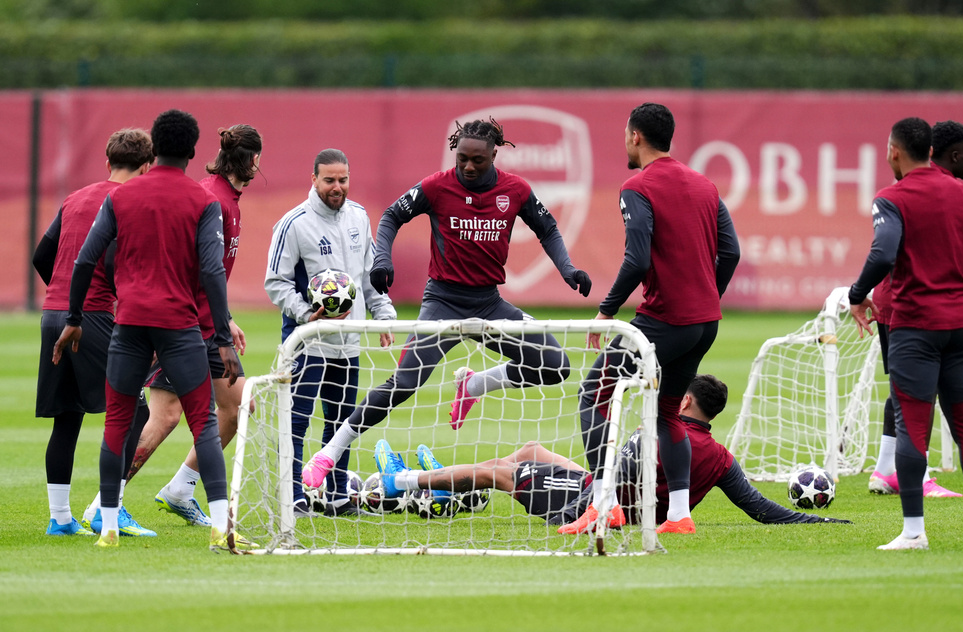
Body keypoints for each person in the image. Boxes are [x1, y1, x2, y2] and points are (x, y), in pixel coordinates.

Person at [301, 117, 592, 490]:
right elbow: (392, 215)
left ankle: (476, 385)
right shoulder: (438, 186)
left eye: (478, 160)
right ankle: (329, 453)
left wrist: (567, 269)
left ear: (494, 155)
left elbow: (547, 227)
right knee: (405, 383)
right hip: (443, 304)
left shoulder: (515, 190)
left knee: (554, 365)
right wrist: (382, 260)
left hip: (488, 304)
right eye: (462, 159)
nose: (468, 167)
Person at [53, 109, 247, 551]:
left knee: (118, 422)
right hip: (179, 328)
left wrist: (75, 319)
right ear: (194, 151)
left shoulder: (121, 196)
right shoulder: (202, 201)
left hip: (129, 325)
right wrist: (220, 337)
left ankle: (106, 529)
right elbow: (213, 271)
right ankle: (221, 527)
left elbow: (87, 260)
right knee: (203, 423)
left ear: (154, 149)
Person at [558, 103, 740, 536]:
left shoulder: (637, 186)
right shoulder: (705, 185)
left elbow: (637, 258)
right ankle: (679, 515)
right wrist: (708, 295)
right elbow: (730, 252)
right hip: (704, 323)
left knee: (593, 396)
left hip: (663, 323)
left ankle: (605, 505)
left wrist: (607, 310)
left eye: (625, 134)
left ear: (635, 136)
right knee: (667, 413)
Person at [375, 375, 850, 527]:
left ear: (684, 401)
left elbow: (619, 470)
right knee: (531, 449)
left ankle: (401, 483)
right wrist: (819, 520)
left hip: (592, 506)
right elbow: (760, 508)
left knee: (501, 471)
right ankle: (442, 488)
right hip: (602, 491)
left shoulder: (661, 433)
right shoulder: (721, 457)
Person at [848, 117, 963, 550]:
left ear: (895, 151)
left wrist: (856, 293)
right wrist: (955, 247)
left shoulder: (892, 197)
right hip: (960, 325)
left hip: (915, 327)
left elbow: (884, 251)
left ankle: (914, 532)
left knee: (913, 427)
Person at [33, 128, 155, 537]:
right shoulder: (128, 201)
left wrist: (63, 296)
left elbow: (41, 255)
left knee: (67, 418)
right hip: (93, 318)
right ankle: (111, 509)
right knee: (135, 408)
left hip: (54, 316)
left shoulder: (74, 197)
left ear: (107, 162)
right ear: (147, 167)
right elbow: (116, 263)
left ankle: (60, 518)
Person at [265, 148, 397, 516]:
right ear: (314, 179)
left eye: (342, 179)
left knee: (342, 419)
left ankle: (338, 495)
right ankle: (292, 495)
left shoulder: (358, 216)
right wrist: (307, 314)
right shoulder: (294, 223)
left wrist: (383, 315)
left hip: (349, 341)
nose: (337, 187)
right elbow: (276, 282)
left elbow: (370, 277)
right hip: (307, 341)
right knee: (299, 420)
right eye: (329, 180)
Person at [866, 120, 963, 499]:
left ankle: (886, 470)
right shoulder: (935, 193)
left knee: (908, 391)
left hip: (905, 302)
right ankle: (912, 478)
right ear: (949, 155)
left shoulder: (931, 191)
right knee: (918, 393)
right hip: (906, 304)